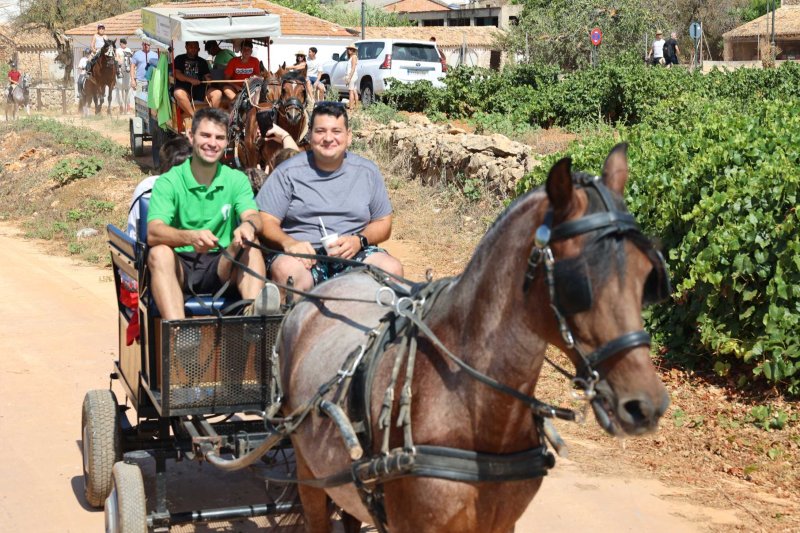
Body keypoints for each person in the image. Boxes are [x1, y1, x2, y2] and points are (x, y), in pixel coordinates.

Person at [256, 102, 403, 292]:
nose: (328, 138)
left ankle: (379, 322)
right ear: (309, 136)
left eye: (336, 131)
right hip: (303, 255)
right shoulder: (287, 172)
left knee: (391, 269)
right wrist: (290, 243)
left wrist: (359, 240)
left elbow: (383, 222)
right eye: (320, 131)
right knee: (288, 272)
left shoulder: (367, 172)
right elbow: (265, 220)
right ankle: (289, 320)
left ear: (348, 137)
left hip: (354, 252)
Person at [146, 107, 271, 319]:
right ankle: (180, 334)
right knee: (159, 253)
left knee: (251, 244)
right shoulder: (170, 181)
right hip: (181, 265)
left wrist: (248, 226)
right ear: (190, 136)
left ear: (226, 142)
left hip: (223, 262)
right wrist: (190, 237)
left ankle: (254, 320)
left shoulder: (236, 179)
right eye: (205, 135)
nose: (212, 143)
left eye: (219, 138)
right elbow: (154, 232)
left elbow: (253, 216)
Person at [213, 39, 265, 106]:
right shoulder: (233, 61)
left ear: (251, 51)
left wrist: (248, 86)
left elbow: (257, 77)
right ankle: (240, 102)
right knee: (226, 89)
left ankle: (240, 102)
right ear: (241, 50)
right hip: (235, 88)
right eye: (244, 49)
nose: (246, 51)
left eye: (248, 49)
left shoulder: (255, 61)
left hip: (250, 88)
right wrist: (236, 86)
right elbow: (226, 78)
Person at [173, 41, 212, 118]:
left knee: (217, 93)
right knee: (178, 93)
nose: (193, 49)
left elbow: (207, 75)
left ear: (199, 49)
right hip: (184, 88)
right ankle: (194, 117)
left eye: (195, 47)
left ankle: (213, 117)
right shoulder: (179, 58)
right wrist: (190, 80)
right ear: (186, 47)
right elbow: (177, 74)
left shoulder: (203, 61)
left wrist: (209, 79)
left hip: (201, 89)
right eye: (191, 47)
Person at [344, 43, 359, 111]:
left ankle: (351, 107)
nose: (349, 50)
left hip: (352, 76)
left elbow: (353, 68)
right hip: (353, 75)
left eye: (351, 49)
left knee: (351, 91)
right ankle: (356, 106)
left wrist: (349, 77)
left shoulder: (353, 57)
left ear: (353, 50)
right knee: (354, 91)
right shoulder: (352, 57)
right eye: (348, 49)